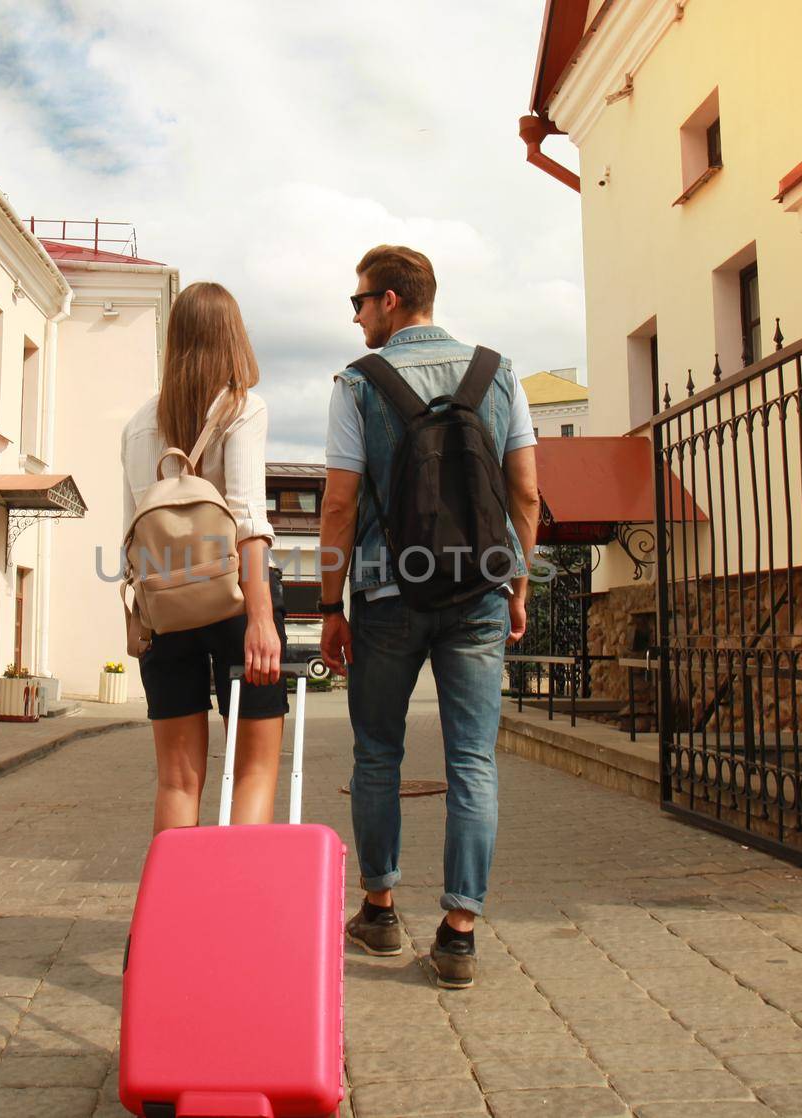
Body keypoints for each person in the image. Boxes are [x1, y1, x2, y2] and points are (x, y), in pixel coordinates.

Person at [318, 245, 540, 989]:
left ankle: (379, 913)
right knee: (472, 759)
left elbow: (341, 504)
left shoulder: (358, 384)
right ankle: (459, 936)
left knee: (377, 753)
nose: (354, 316)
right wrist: (519, 586)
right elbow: (526, 494)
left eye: (359, 302)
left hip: (387, 593)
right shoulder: (499, 372)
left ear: (390, 300)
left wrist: (328, 603)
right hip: (479, 590)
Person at [121, 281, 286, 833]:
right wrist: (261, 621)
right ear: (232, 337)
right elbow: (246, 520)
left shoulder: (138, 425)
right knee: (254, 771)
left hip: (165, 611)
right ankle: (238, 912)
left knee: (176, 779)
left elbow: (133, 534)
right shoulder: (242, 407)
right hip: (235, 602)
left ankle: (174, 916)